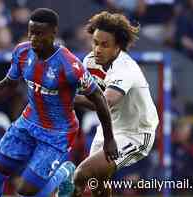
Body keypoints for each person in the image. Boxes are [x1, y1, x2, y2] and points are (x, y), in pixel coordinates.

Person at [0, 8, 117, 197]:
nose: (33, 38)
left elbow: (98, 98)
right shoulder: (22, 52)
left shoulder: (70, 65)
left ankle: (65, 173)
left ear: (53, 33)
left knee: (26, 191)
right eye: (31, 32)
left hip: (57, 133)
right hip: (27, 123)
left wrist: (109, 139)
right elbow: (8, 85)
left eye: (40, 34)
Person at [72, 11, 159, 197]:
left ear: (118, 46)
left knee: (81, 175)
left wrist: (67, 98)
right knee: (98, 187)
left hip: (136, 133)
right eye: (95, 43)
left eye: (105, 45)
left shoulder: (125, 68)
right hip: (108, 129)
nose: (97, 49)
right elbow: (72, 88)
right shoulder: (88, 62)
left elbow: (106, 101)